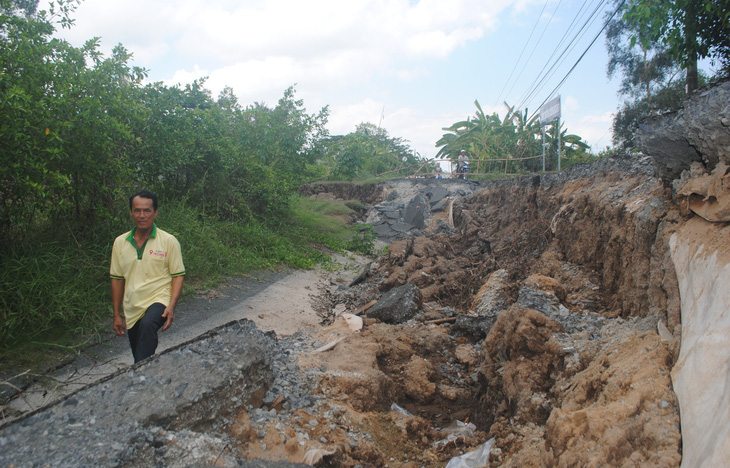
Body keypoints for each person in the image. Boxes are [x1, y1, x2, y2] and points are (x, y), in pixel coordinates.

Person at [110, 190, 185, 363]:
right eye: (137, 211)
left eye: (147, 211)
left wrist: (171, 306)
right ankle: (146, 374)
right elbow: (117, 279)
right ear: (131, 213)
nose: (142, 215)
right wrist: (116, 314)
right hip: (132, 306)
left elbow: (178, 275)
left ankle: (139, 379)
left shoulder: (168, 241)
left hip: (159, 299)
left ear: (155, 213)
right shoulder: (120, 243)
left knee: (148, 325)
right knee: (140, 351)